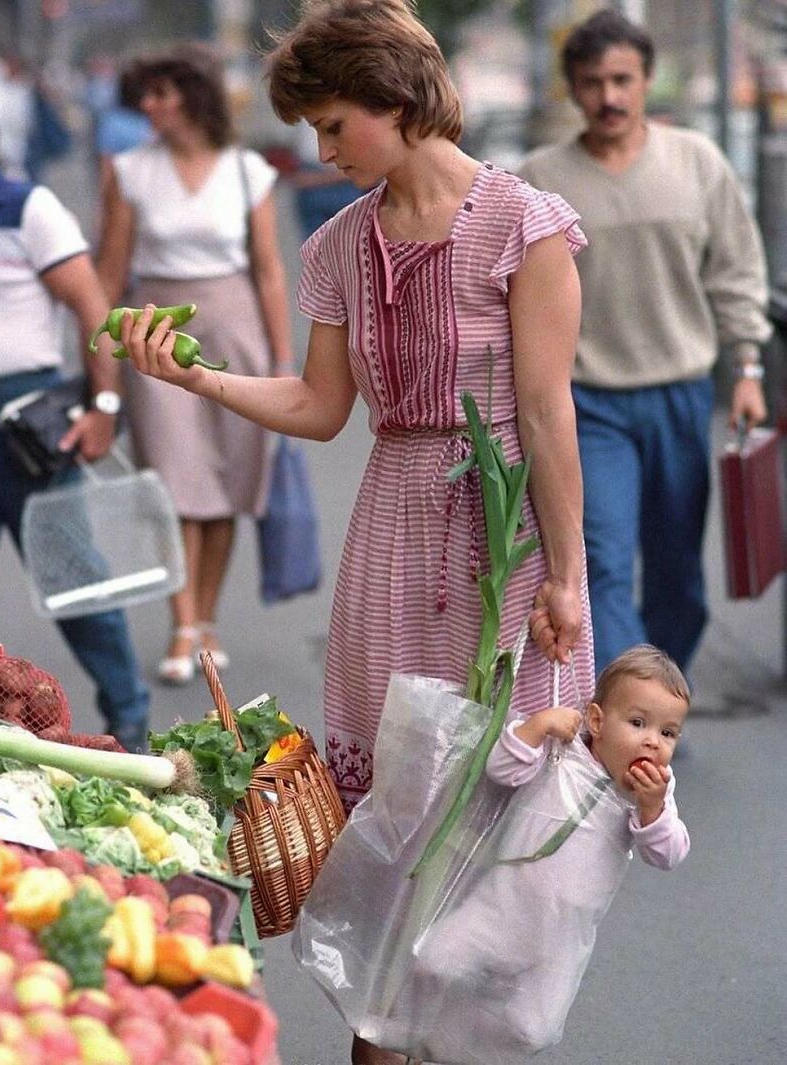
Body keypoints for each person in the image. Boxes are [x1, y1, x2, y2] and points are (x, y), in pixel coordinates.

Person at [119, 3, 594, 1057]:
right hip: (392, 527)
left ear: (396, 99)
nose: (321, 151)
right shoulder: (338, 244)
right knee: (393, 809)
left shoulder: (527, 225)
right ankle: (384, 1029)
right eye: (314, 131)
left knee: (495, 800)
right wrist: (193, 373)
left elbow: (546, 412)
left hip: (504, 536)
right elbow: (318, 407)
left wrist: (565, 573)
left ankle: (449, 1028)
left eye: (334, 126)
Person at [518, 9, 772, 678]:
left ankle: (660, 696)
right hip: (587, 403)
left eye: (623, 79)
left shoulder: (698, 161)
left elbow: (738, 270)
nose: (609, 96)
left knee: (678, 572)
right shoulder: (540, 177)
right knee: (601, 560)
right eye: (593, 81)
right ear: (572, 89)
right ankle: (625, 713)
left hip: (681, 394)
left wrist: (747, 367)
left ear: (647, 81)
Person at [0, 62, 150, 752]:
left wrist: (104, 404)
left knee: (76, 586)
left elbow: (92, 308)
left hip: (28, 427)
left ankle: (129, 719)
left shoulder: (27, 208)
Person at [96, 42, 295, 683]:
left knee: (228, 484)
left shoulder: (247, 171)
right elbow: (111, 271)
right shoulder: (128, 170)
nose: (148, 106)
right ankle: (183, 626)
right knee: (176, 484)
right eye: (145, 94)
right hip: (157, 331)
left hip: (235, 324)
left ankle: (205, 618)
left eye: (161, 93)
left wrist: (282, 360)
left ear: (192, 95)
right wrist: (99, 356)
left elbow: (268, 272)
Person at [412, 644, 690, 1058]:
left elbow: (669, 854)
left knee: (533, 1030)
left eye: (667, 733)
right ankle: (433, 1040)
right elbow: (501, 770)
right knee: (432, 962)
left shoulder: (651, 796)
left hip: (558, 943)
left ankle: (458, 1047)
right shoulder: (563, 751)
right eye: (637, 723)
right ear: (596, 720)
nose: (652, 742)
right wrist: (536, 728)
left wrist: (651, 809)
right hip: (499, 908)